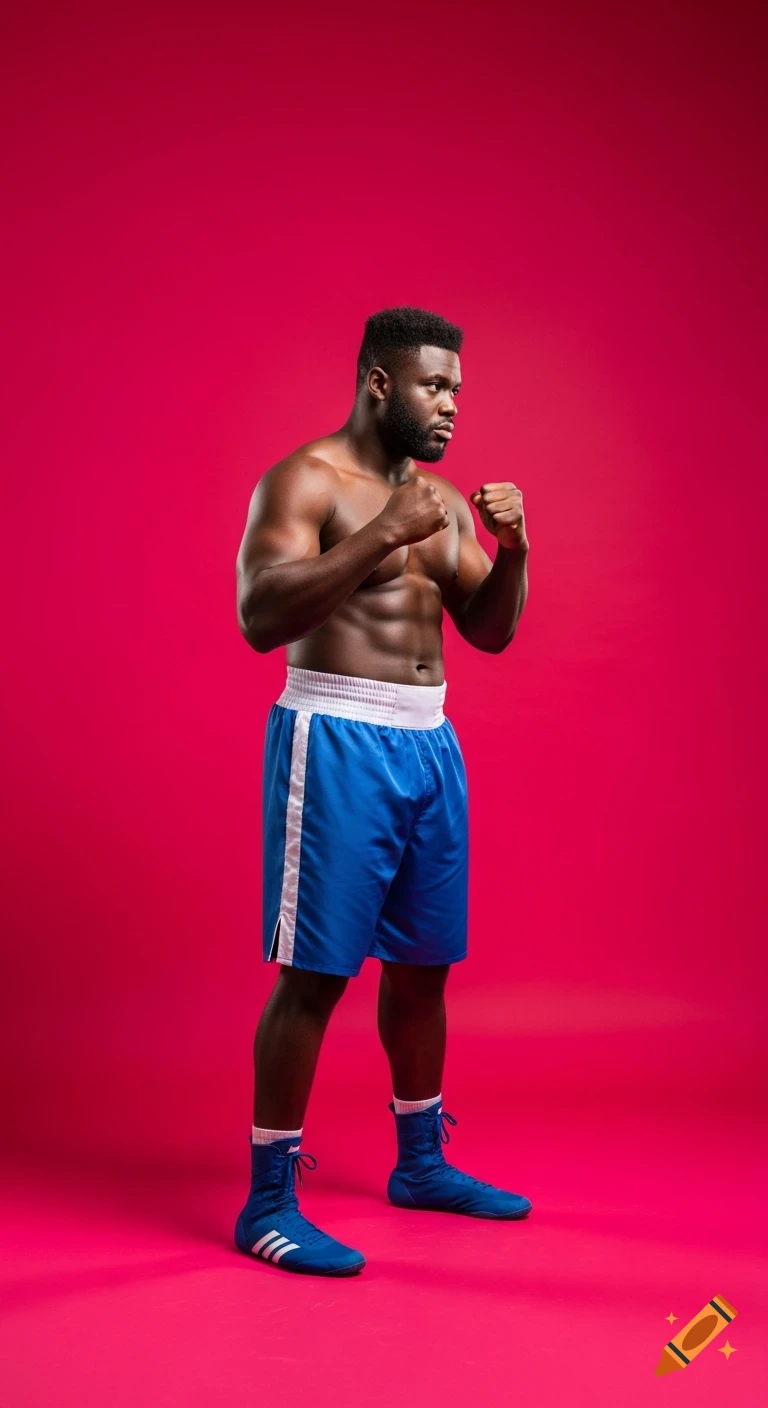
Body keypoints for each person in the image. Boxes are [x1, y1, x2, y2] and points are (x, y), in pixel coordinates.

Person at [233, 305, 531, 1276]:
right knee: (317, 974)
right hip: (336, 736)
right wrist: (379, 536)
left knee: (424, 968)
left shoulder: (440, 501)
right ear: (379, 383)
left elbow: (488, 633)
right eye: (434, 386)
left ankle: (422, 1162)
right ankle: (268, 1199)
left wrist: (516, 550)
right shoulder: (306, 478)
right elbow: (260, 614)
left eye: (457, 390)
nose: (450, 407)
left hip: (428, 742)